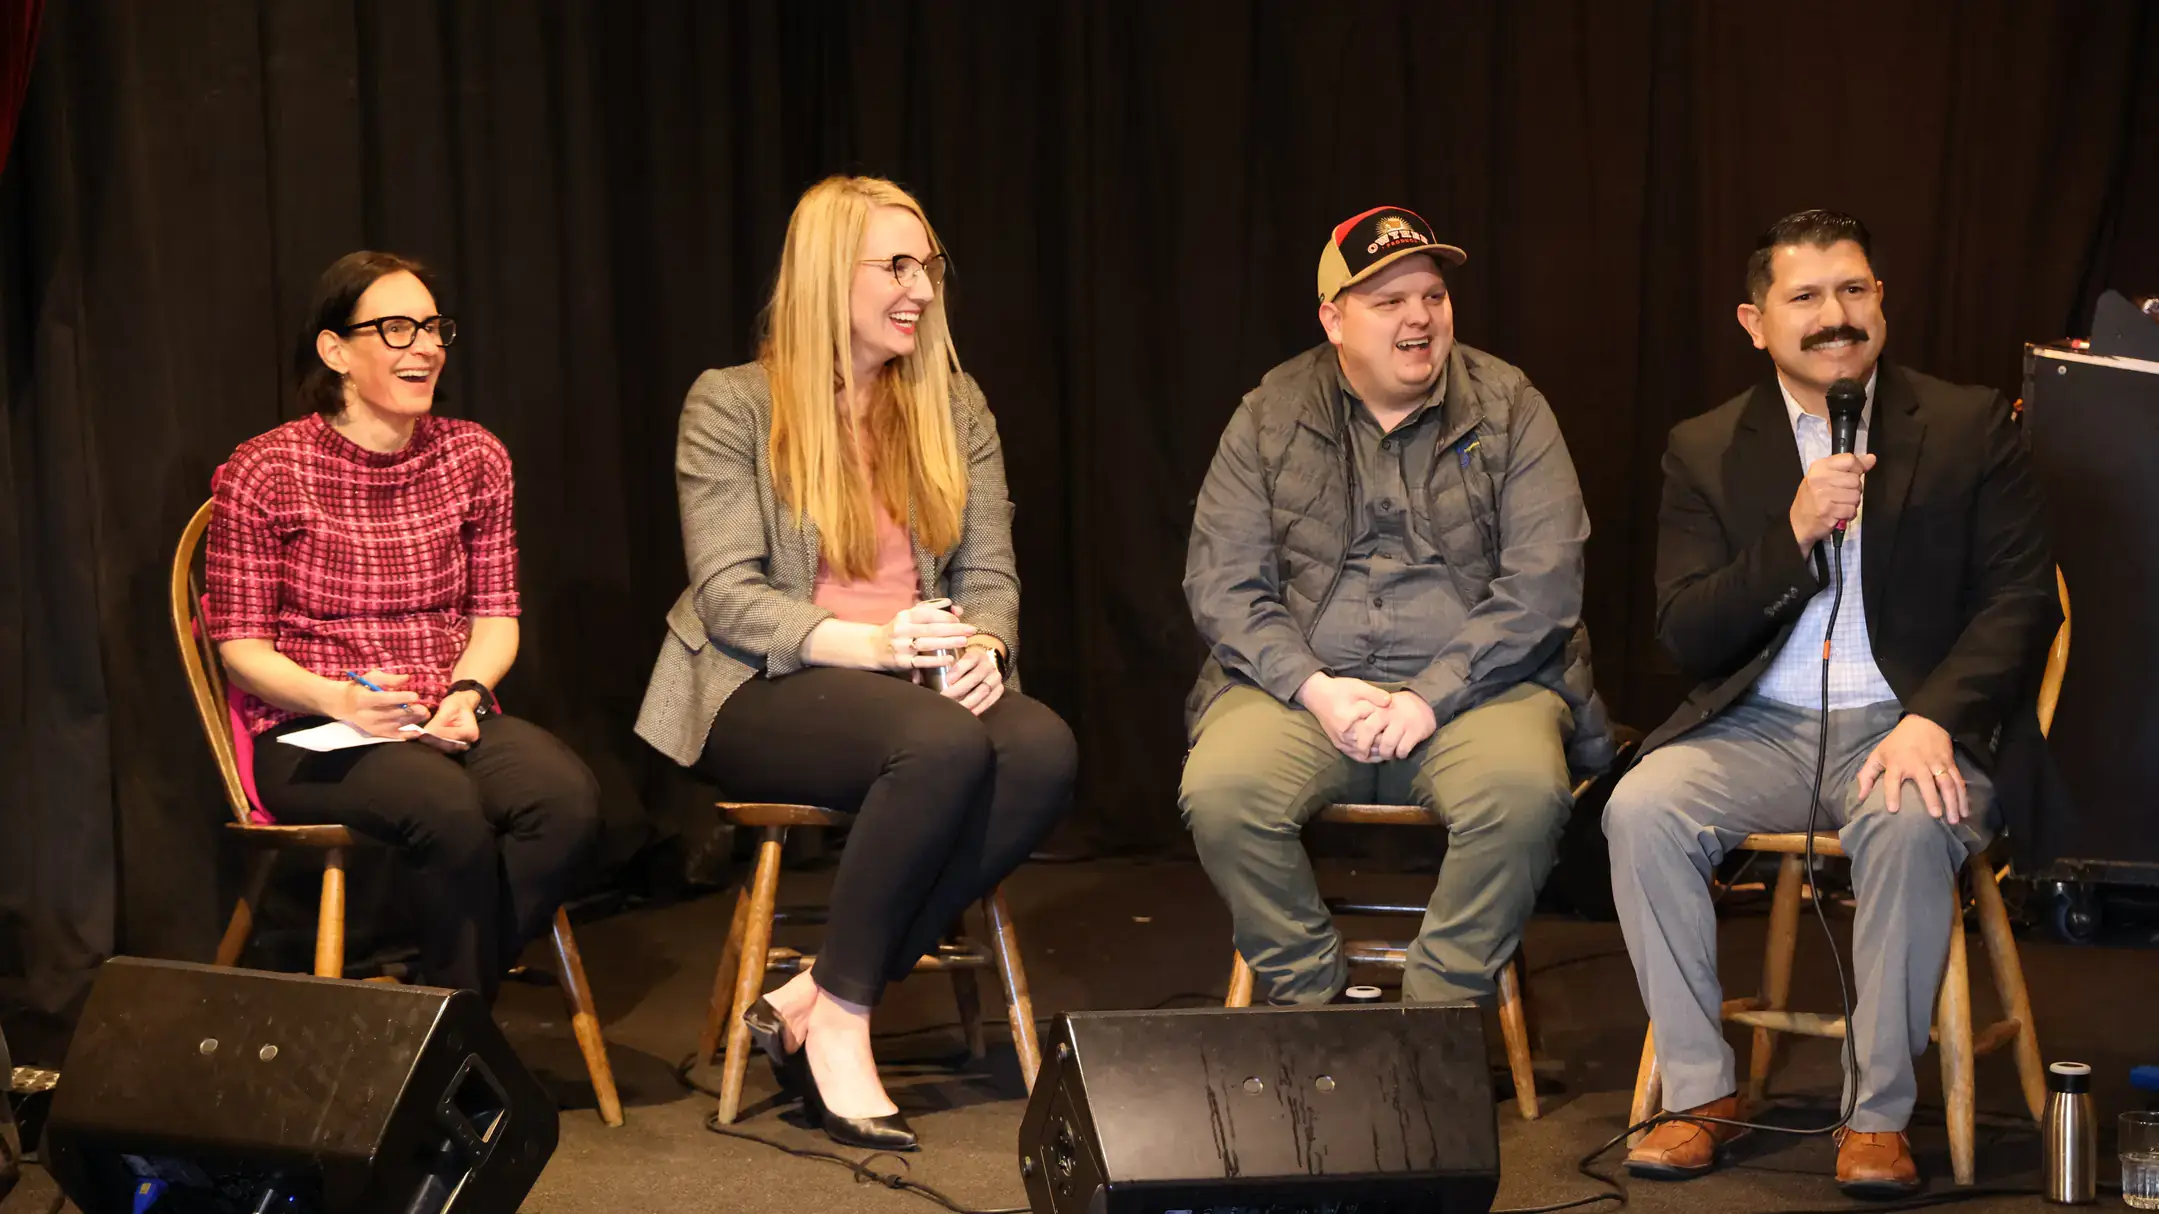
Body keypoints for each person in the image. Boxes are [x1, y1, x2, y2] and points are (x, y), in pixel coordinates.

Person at [1604, 210, 2056, 1196]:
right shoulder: (1705, 446)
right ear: (1752, 321)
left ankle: (1874, 1116)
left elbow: (2020, 601)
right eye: (1802, 297)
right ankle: (1696, 1092)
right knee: (1639, 806)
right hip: (1759, 726)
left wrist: (1931, 715)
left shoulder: (1965, 422)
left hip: (1914, 719)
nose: (1832, 316)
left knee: (1902, 819)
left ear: (1879, 303)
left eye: (1851, 290)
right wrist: (1794, 532)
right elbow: (1684, 629)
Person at [635, 175, 1077, 1152]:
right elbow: (727, 592)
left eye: (928, 265)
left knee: (1040, 744)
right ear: (829, 277)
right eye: (896, 265)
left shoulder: (953, 405)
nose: (920, 285)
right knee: (935, 746)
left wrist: (986, 648)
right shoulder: (731, 403)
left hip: (912, 683)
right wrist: (874, 644)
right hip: (767, 680)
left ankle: (814, 989)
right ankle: (842, 1018)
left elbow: (991, 572)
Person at [1178, 206, 1613, 1011]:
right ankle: (1317, 1006)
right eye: (1388, 301)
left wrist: (1428, 695)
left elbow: (1543, 584)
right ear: (1332, 320)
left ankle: (1429, 1022)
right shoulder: (1269, 413)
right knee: (1224, 792)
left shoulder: (1510, 405)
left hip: (1477, 691)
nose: (1419, 317)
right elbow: (1222, 583)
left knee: (1521, 795)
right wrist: (1313, 686)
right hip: (1303, 693)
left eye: (1433, 296)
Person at [209, 251, 600, 1001]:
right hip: (310, 728)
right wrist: (338, 700)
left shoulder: (472, 456)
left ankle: (441, 1012)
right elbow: (241, 649)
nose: (424, 346)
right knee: (447, 812)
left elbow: (495, 616)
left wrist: (470, 690)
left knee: (566, 804)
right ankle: (458, 1041)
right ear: (336, 352)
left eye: (431, 327)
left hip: (440, 712)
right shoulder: (266, 469)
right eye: (395, 328)